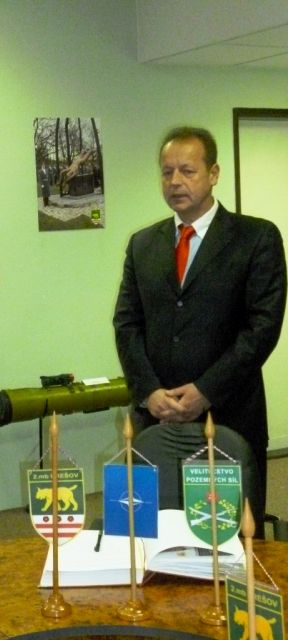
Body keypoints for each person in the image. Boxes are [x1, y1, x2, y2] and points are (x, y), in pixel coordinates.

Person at [113, 126, 286, 528]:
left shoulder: (255, 238)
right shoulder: (143, 244)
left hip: (229, 417)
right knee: (152, 533)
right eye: (167, 172)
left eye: (187, 171)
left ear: (214, 173)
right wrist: (148, 391)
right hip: (155, 421)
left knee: (228, 537)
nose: (175, 181)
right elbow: (126, 323)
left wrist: (206, 390)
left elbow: (262, 327)